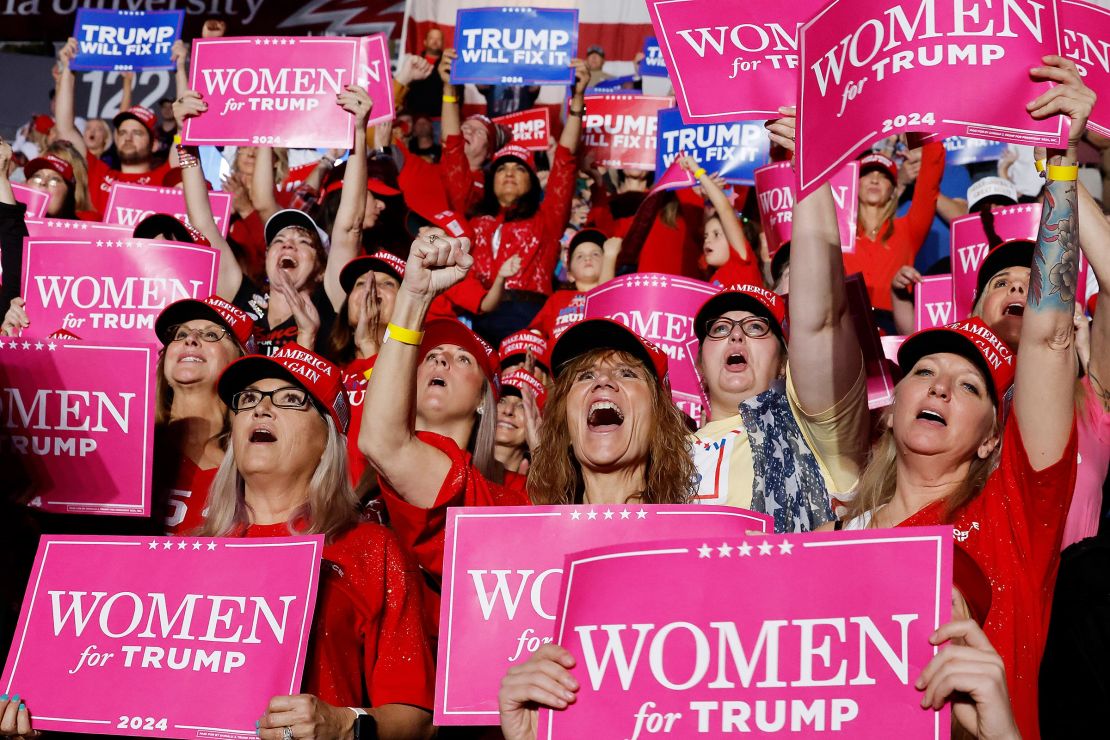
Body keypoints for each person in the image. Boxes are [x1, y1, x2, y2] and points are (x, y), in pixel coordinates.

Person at [829, 56, 1091, 740]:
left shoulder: (1016, 508)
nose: (942, 384)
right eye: (924, 371)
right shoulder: (836, 541)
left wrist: (1060, 171)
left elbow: (1049, 338)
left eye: (971, 384)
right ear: (891, 409)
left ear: (989, 437)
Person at [201, 344, 435, 738]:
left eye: (290, 399)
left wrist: (345, 724)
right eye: (249, 399)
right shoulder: (187, 553)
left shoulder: (371, 548)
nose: (261, 409)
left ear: (328, 438)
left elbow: (419, 719)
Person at [691, 108, 869, 533]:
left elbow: (821, 318)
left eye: (756, 327)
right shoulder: (657, 453)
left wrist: (808, 168)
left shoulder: (818, 434)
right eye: (719, 329)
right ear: (698, 365)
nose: (735, 332)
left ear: (788, 361)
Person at [359, 230, 528, 637]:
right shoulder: (352, 466)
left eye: (462, 357)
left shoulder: (510, 496)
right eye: (430, 355)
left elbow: (384, 442)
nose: (441, 360)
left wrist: (414, 299)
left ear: (485, 400)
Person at [172, 84, 372, 357]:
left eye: (303, 241)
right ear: (267, 258)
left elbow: (350, 227)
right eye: (278, 240)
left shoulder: (330, 303)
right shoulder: (243, 299)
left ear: (322, 269)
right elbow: (203, 224)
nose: (288, 244)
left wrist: (359, 132)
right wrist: (185, 137)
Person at [527, 316, 697, 506]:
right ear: (565, 428)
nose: (602, 381)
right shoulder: (530, 533)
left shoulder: (693, 532)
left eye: (627, 373)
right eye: (586, 375)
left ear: (660, 421)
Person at [153, 295, 255, 534]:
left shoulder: (255, 462)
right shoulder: (130, 443)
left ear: (241, 359)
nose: (190, 340)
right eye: (180, 334)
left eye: (211, 334)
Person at [53, 39, 174, 215]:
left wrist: (181, 71)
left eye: (137, 132)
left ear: (154, 144)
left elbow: (186, 137)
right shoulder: (97, 173)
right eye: (123, 132)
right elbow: (65, 128)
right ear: (116, 139)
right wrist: (68, 70)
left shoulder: (166, 177)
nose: (128, 137)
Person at [843, 142, 945, 320]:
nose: (875, 180)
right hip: (847, 327)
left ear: (894, 189)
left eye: (884, 176)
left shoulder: (909, 229)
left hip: (893, 330)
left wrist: (921, 131)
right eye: (867, 174)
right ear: (854, 183)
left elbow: (930, 178)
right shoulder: (838, 233)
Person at [528, 229, 619, 339]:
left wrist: (610, 256)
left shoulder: (619, 295)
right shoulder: (557, 299)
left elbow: (605, 303)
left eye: (596, 254)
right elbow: (535, 333)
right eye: (579, 256)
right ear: (570, 275)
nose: (588, 258)